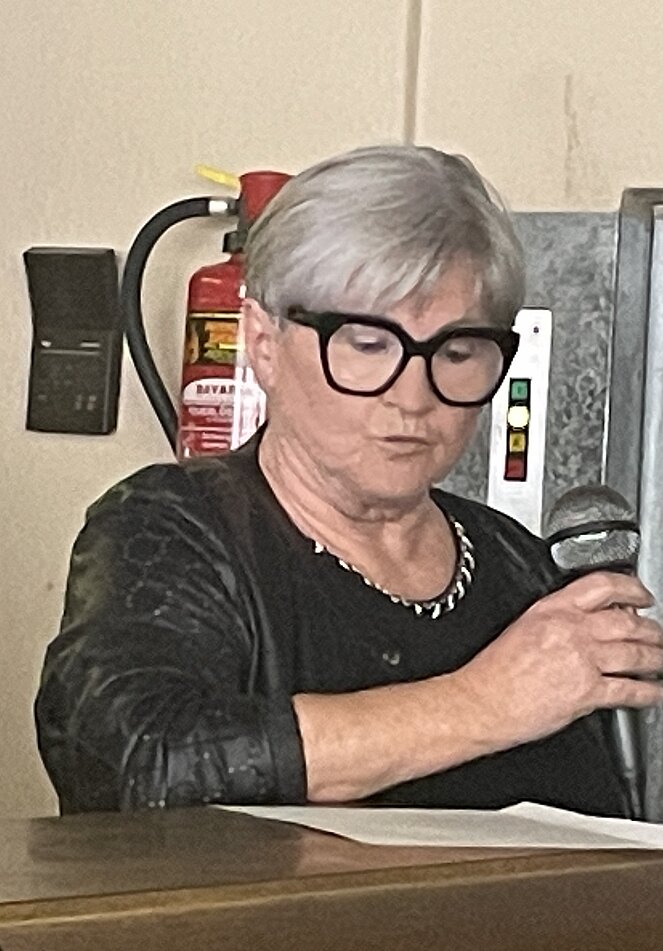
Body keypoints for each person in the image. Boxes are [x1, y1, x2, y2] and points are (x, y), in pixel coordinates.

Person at [35, 145, 663, 816]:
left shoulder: (518, 566)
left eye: (456, 352)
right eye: (367, 344)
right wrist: (481, 703)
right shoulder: (171, 527)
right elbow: (141, 762)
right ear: (264, 343)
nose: (412, 397)